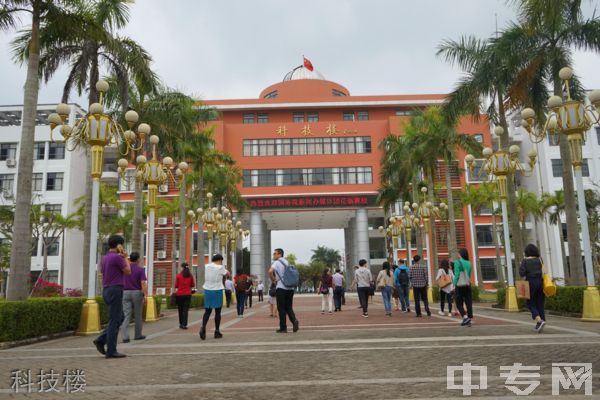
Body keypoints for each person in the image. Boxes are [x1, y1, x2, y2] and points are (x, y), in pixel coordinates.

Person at [93, 235, 131, 359]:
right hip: (116, 289)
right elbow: (128, 271)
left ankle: (101, 339)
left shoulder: (105, 258)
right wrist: (125, 257)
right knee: (115, 321)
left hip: (107, 290)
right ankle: (111, 350)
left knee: (120, 317)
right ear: (119, 245)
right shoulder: (117, 258)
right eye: (122, 245)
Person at [268, 248, 299, 333]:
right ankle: (294, 321)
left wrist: (273, 279)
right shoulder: (287, 262)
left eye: (275, 253)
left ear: (279, 254)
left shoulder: (276, 262)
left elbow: (270, 271)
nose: (273, 255)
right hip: (290, 288)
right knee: (289, 307)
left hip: (281, 288)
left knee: (281, 308)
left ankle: (283, 328)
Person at [200, 254, 229, 340]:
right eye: (221, 260)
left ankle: (203, 327)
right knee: (217, 312)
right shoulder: (220, 267)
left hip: (207, 290)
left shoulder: (207, 266)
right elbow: (228, 274)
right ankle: (216, 331)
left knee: (207, 311)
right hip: (217, 290)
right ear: (219, 260)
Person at [120, 252, 146, 343]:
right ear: (138, 259)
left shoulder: (125, 269)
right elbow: (143, 283)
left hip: (125, 292)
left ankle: (125, 337)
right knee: (138, 315)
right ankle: (138, 335)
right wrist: (144, 294)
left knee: (126, 315)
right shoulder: (140, 270)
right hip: (136, 292)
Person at [519, 244, 546, 333]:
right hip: (540, 282)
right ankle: (541, 323)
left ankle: (539, 320)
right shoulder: (540, 259)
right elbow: (544, 271)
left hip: (530, 283)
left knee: (531, 303)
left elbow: (522, 273)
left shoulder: (525, 261)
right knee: (540, 303)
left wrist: (521, 265)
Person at [453, 248, 474, 327]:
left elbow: (457, 275)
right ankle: (469, 318)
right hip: (467, 284)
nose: (458, 255)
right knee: (468, 302)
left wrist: (454, 285)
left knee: (458, 303)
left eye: (458, 253)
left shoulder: (457, 262)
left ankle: (465, 318)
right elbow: (468, 274)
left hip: (460, 285)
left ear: (461, 254)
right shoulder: (469, 263)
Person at [174, 263, 195, 329]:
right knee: (185, 310)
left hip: (179, 295)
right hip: (187, 295)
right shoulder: (190, 276)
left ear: (182, 267)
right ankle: (184, 324)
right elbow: (193, 284)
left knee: (180, 310)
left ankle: (181, 324)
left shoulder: (178, 276)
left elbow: (176, 285)